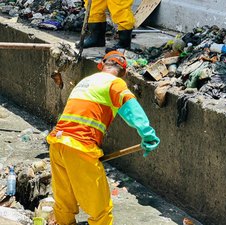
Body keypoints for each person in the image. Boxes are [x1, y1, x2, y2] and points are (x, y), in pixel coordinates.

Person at [46, 50, 160, 225]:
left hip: (57, 144)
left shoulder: (85, 82)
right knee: (101, 210)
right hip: (80, 147)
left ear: (101, 65)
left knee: (64, 202)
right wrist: (148, 135)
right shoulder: (115, 84)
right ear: (125, 72)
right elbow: (132, 110)